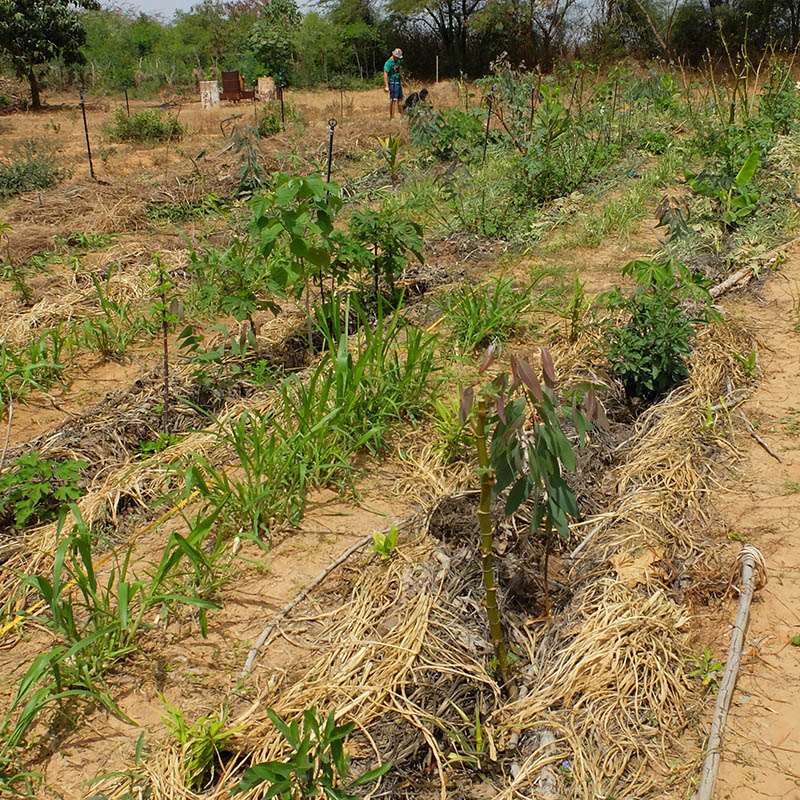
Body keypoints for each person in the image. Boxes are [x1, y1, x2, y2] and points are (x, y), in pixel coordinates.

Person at [383, 48, 404, 119]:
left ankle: (402, 115)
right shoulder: (388, 63)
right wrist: (386, 86)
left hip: (398, 82)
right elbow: (385, 73)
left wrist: (403, 80)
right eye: (397, 57)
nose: (398, 59)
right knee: (393, 100)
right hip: (392, 83)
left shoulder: (398, 61)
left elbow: (399, 71)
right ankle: (392, 117)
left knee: (400, 99)